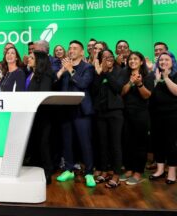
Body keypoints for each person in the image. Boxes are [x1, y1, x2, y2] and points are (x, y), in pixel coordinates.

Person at [56, 40, 96, 187]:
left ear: (82, 52)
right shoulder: (64, 68)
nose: (71, 50)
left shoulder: (88, 67)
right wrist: (61, 71)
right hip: (66, 110)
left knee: (85, 143)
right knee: (67, 142)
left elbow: (83, 84)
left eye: (74, 48)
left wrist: (71, 70)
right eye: (70, 48)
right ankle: (69, 169)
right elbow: (56, 84)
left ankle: (89, 172)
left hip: (82, 111)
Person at [120, 51, 154, 185]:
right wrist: (130, 82)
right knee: (127, 142)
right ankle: (129, 169)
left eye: (135, 59)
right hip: (126, 113)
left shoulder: (148, 76)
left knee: (140, 143)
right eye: (130, 59)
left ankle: (138, 171)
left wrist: (139, 83)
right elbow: (122, 92)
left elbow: (147, 96)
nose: (132, 61)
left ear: (141, 61)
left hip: (141, 114)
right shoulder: (124, 75)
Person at [91, 49, 124, 188]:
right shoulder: (96, 72)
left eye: (109, 57)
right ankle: (104, 171)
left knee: (115, 144)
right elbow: (94, 90)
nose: (107, 60)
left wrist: (106, 73)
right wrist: (100, 73)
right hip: (100, 112)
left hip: (115, 112)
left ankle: (116, 174)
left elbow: (117, 88)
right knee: (102, 143)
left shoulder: (120, 71)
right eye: (103, 58)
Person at [25, 51, 55, 183]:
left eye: (32, 58)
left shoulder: (46, 75)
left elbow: (43, 94)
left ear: (39, 60)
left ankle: (48, 172)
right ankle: (37, 170)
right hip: (32, 114)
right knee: (35, 143)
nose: (28, 59)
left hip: (43, 114)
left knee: (44, 144)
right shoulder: (31, 74)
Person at [149, 52, 177, 185]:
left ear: (172, 62)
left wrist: (166, 77)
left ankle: (171, 172)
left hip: (172, 115)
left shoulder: (175, 75)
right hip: (156, 115)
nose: (163, 62)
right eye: (161, 60)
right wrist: (156, 81)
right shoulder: (154, 75)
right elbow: (150, 96)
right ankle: (160, 170)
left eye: (166, 59)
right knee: (158, 143)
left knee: (171, 144)